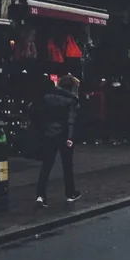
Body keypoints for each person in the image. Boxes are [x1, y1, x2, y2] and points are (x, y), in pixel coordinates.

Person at [34, 75, 81, 207]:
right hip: (64, 135)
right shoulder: (71, 100)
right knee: (67, 165)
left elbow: (42, 116)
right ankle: (70, 193)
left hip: (49, 134)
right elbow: (71, 120)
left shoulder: (47, 97)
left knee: (46, 165)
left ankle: (40, 195)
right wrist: (70, 137)